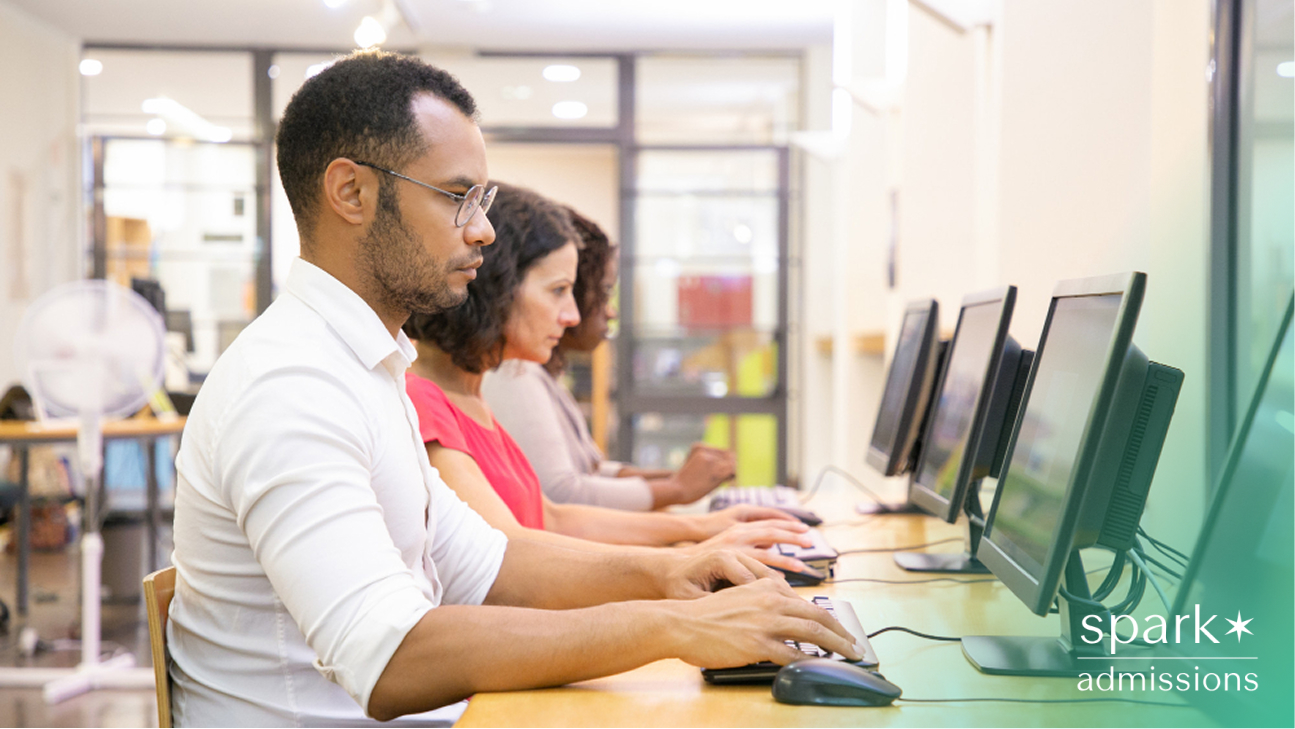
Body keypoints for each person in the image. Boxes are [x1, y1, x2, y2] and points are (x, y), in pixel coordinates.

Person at [167, 50, 862, 727]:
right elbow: (389, 659)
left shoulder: (364, 368)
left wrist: (679, 572)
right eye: (457, 197)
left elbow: (496, 561)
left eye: (484, 199)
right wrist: (675, 621)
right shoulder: (292, 385)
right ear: (351, 192)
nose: (483, 229)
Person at [403, 183, 815, 571]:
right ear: (499, 287)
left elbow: (554, 519)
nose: (573, 315)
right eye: (558, 290)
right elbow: (512, 560)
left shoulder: (473, 397)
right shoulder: (430, 403)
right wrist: (685, 561)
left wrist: (704, 529)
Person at [483, 207, 734, 511]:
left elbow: (587, 470)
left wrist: (678, 479)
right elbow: (559, 494)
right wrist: (676, 489)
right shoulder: (511, 372)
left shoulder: (536, 372)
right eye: (603, 293)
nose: (610, 311)